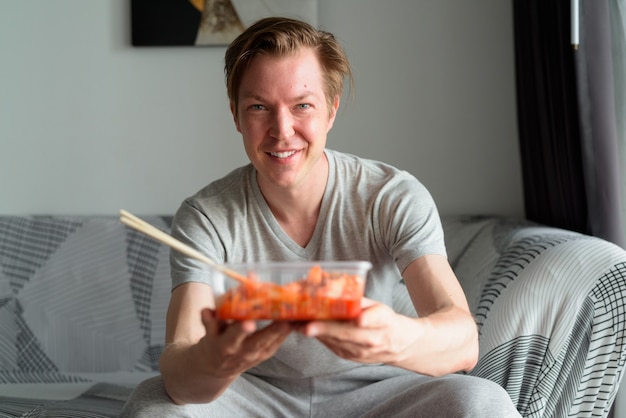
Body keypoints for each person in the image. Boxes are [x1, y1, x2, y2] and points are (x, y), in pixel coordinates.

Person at [121, 16, 521, 417]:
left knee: (484, 401)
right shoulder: (205, 216)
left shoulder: (390, 196)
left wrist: (395, 339)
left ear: (331, 110)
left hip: (380, 393)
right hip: (251, 395)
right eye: (259, 107)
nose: (282, 130)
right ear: (236, 115)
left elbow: (463, 342)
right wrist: (216, 360)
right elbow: (178, 371)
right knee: (153, 406)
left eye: (302, 106)